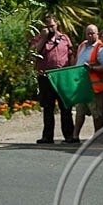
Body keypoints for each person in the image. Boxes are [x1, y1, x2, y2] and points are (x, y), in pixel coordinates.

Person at [30, 15, 75, 144]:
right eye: (48, 26)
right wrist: (43, 38)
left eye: (52, 26)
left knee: (66, 108)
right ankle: (47, 136)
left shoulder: (64, 38)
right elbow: (33, 54)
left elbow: (71, 55)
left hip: (62, 77)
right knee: (48, 108)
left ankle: (69, 135)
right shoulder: (38, 39)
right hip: (46, 77)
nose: (50, 28)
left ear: (57, 25)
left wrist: (72, 72)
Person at [72, 24, 103, 143]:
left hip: (94, 87)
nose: (90, 35)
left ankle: (97, 137)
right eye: (88, 33)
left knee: (96, 113)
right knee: (80, 111)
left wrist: (92, 68)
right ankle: (75, 136)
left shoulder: (101, 49)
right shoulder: (82, 46)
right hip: (81, 85)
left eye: (93, 33)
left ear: (97, 34)